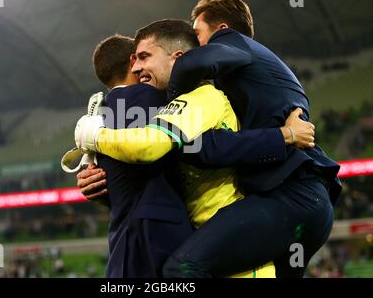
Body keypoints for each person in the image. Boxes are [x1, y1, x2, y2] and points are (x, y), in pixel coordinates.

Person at [74, 19, 317, 277]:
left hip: (236, 253)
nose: (137, 67)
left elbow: (149, 147)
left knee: (176, 272)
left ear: (177, 58)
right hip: (206, 246)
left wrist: (94, 135)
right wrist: (103, 183)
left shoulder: (203, 97)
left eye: (144, 57)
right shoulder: (169, 107)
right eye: (135, 60)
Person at [82, 34, 193, 277]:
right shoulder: (145, 96)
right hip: (155, 233)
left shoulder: (101, 113)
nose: (145, 67)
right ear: (133, 62)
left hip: (123, 237)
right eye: (143, 57)